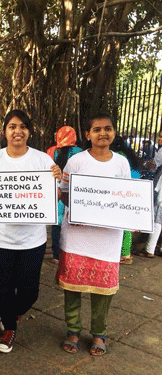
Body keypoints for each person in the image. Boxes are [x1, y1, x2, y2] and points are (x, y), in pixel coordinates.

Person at [0, 109, 61, 354]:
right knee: (4, 286)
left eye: (22, 126)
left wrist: (57, 181)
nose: (17, 131)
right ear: (4, 132)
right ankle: (9, 327)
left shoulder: (43, 160)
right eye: (12, 126)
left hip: (32, 239)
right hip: (0, 238)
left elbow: (56, 196)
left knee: (30, 291)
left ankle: (13, 313)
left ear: (29, 131)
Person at [57, 113, 131, 356]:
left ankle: (99, 333)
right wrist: (81, 208)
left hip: (108, 239)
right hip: (78, 236)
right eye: (97, 129)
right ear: (87, 135)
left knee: (103, 290)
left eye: (108, 128)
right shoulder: (76, 161)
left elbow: (127, 196)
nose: (103, 133)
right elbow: (63, 193)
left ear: (114, 132)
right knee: (73, 288)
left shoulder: (121, 163)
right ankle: (73, 330)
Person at [50, 126, 82, 263]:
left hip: (57, 191)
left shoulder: (52, 152)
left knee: (56, 223)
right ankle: (70, 253)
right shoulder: (80, 152)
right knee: (72, 223)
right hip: (73, 192)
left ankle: (56, 255)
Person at [110, 135, 141, 263]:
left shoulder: (115, 156)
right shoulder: (132, 157)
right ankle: (126, 254)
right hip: (133, 191)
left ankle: (118, 253)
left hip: (120, 192)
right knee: (127, 225)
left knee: (116, 224)